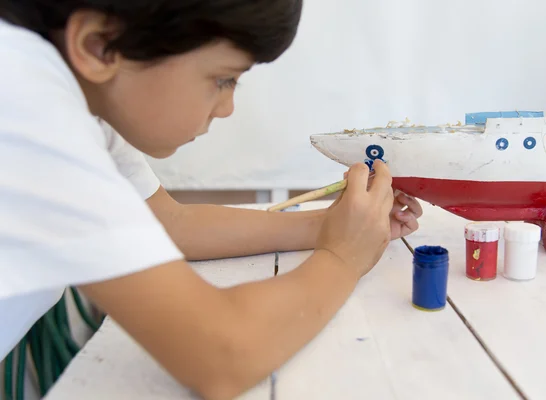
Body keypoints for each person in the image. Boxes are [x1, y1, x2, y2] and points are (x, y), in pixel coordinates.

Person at [0, 1, 422, 399]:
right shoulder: (23, 106)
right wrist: (343, 257)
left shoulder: (72, 95)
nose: (227, 108)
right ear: (99, 45)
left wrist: (328, 227)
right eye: (223, 79)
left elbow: (167, 224)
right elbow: (221, 356)